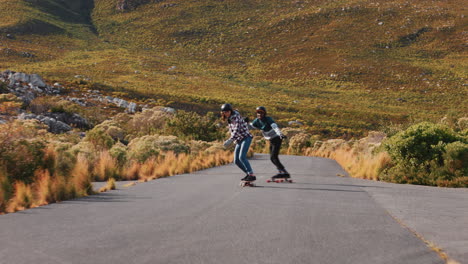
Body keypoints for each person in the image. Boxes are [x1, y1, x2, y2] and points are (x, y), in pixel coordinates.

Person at [250, 106, 290, 180]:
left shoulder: (268, 119)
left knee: (273, 157)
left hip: (277, 138)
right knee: (272, 158)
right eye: (258, 112)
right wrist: (244, 122)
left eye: (261, 112)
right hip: (271, 140)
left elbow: (274, 126)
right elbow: (251, 126)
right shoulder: (257, 121)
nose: (259, 114)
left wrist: (280, 133)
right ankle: (282, 172)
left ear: (264, 113)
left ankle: (284, 173)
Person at [220, 103, 256, 183]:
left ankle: (251, 175)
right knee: (236, 160)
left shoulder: (236, 117)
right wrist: (233, 140)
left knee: (242, 157)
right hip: (239, 140)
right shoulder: (229, 119)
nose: (226, 113)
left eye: (227, 111)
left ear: (230, 111)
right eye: (224, 112)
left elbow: (236, 130)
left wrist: (230, 140)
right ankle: (248, 174)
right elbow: (232, 131)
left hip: (246, 138)